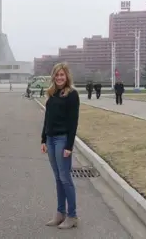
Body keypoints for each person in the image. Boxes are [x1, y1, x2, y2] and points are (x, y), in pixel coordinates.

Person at [41, 62, 80, 229]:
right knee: (58, 178)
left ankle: (72, 216)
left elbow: (73, 123)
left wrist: (69, 146)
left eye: (62, 75)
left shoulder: (72, 95)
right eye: (56, 75)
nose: (59, 78)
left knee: (65, 178)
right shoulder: (52, 93)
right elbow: (47, 118)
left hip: (62, 139)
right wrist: (43, 139)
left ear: (67, 76)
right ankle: (60, 213)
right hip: (50, 139)